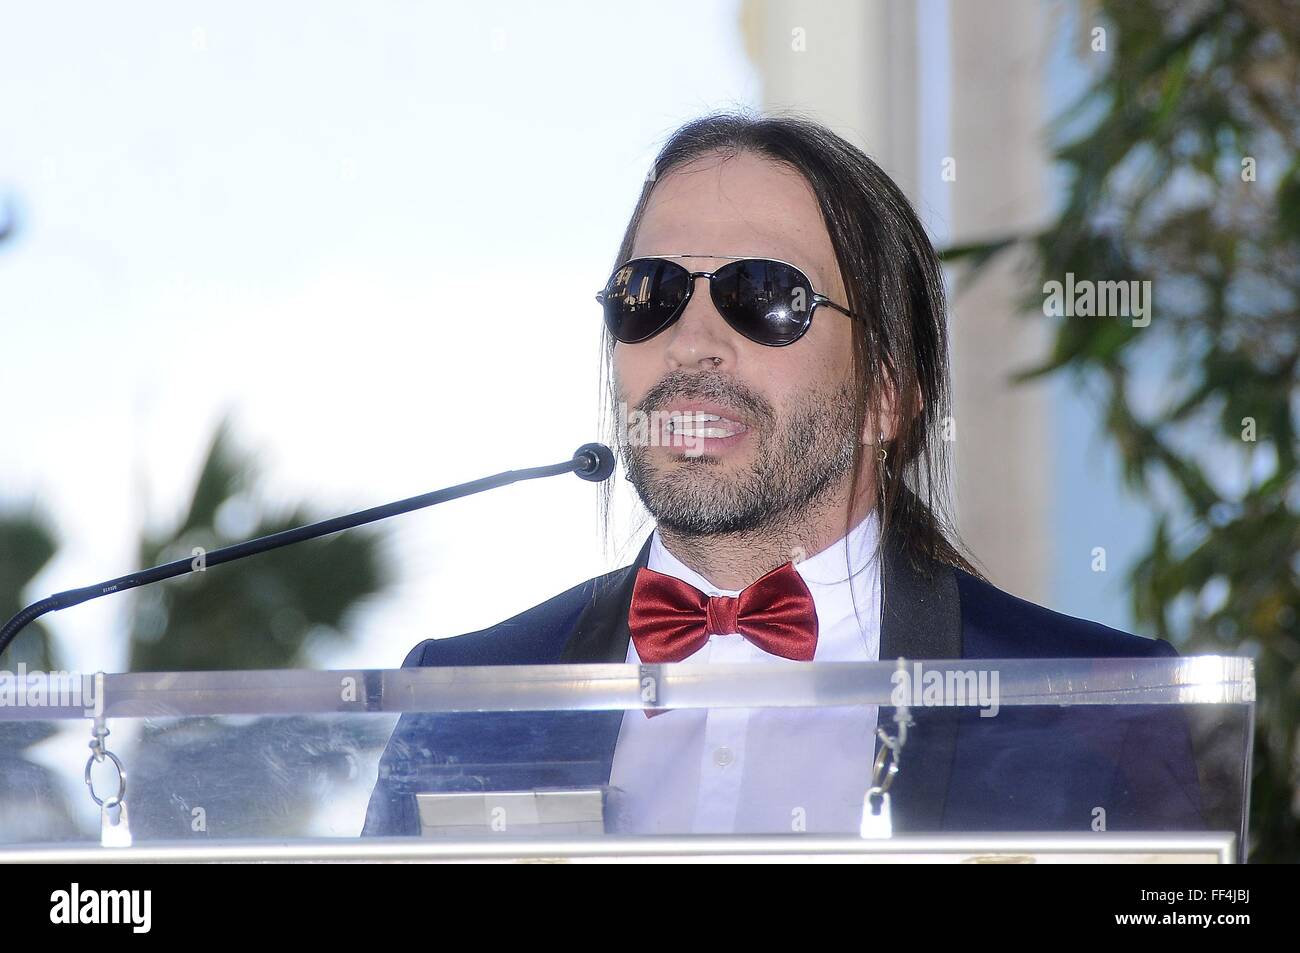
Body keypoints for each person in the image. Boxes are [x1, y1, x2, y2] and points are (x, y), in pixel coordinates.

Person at [362, 112, 1203, 837]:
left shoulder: (1100, 710)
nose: (690, 343)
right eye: (650, 293)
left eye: (763, 293)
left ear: (887, 391)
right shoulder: (462, 701)